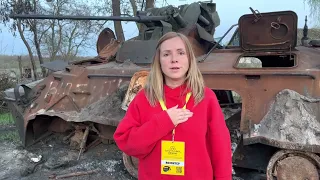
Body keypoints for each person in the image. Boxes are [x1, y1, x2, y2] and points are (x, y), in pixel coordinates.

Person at [113, 32, 232, 180]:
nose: (174, 60)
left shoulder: (205, 98)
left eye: (181, 53)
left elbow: (220, 148)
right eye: (167, 54)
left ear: (189, 59)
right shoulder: (144, 98)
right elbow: (127, 143)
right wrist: (163, 122)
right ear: (159, 61)